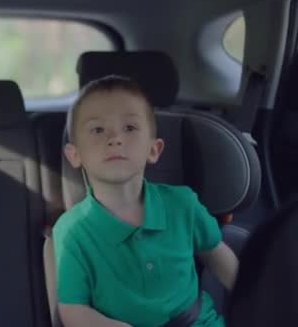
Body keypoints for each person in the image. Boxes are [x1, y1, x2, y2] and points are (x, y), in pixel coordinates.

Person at [53, 75, 239, 327]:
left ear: (154, 150)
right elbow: (73, 309)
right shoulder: (72, 231)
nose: (115, 139)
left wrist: (257, 304)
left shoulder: (182, 204)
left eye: (129, 128)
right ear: (74, 155)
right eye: (98, 130)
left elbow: (218, 257)